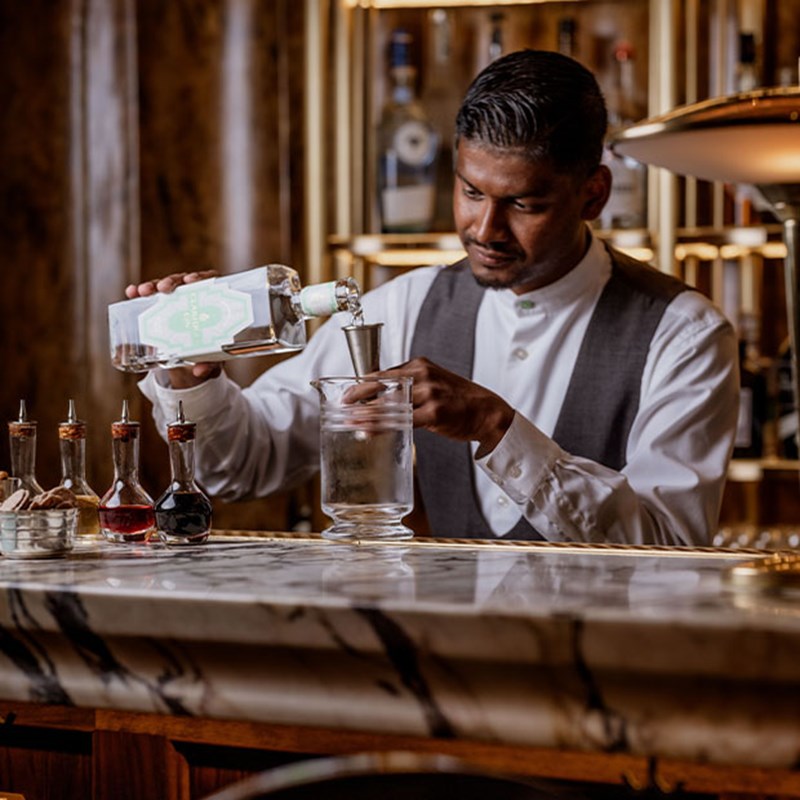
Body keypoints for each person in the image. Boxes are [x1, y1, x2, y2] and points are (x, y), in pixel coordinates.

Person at [130, 49, 738, 546]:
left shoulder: (684, 333)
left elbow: (673, 545)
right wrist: (194, 384)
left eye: (524, 204)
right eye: (471, 192)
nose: (485, 229)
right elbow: (244, 464)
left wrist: (496, 426)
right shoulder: (406, 303)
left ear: (594, 194)